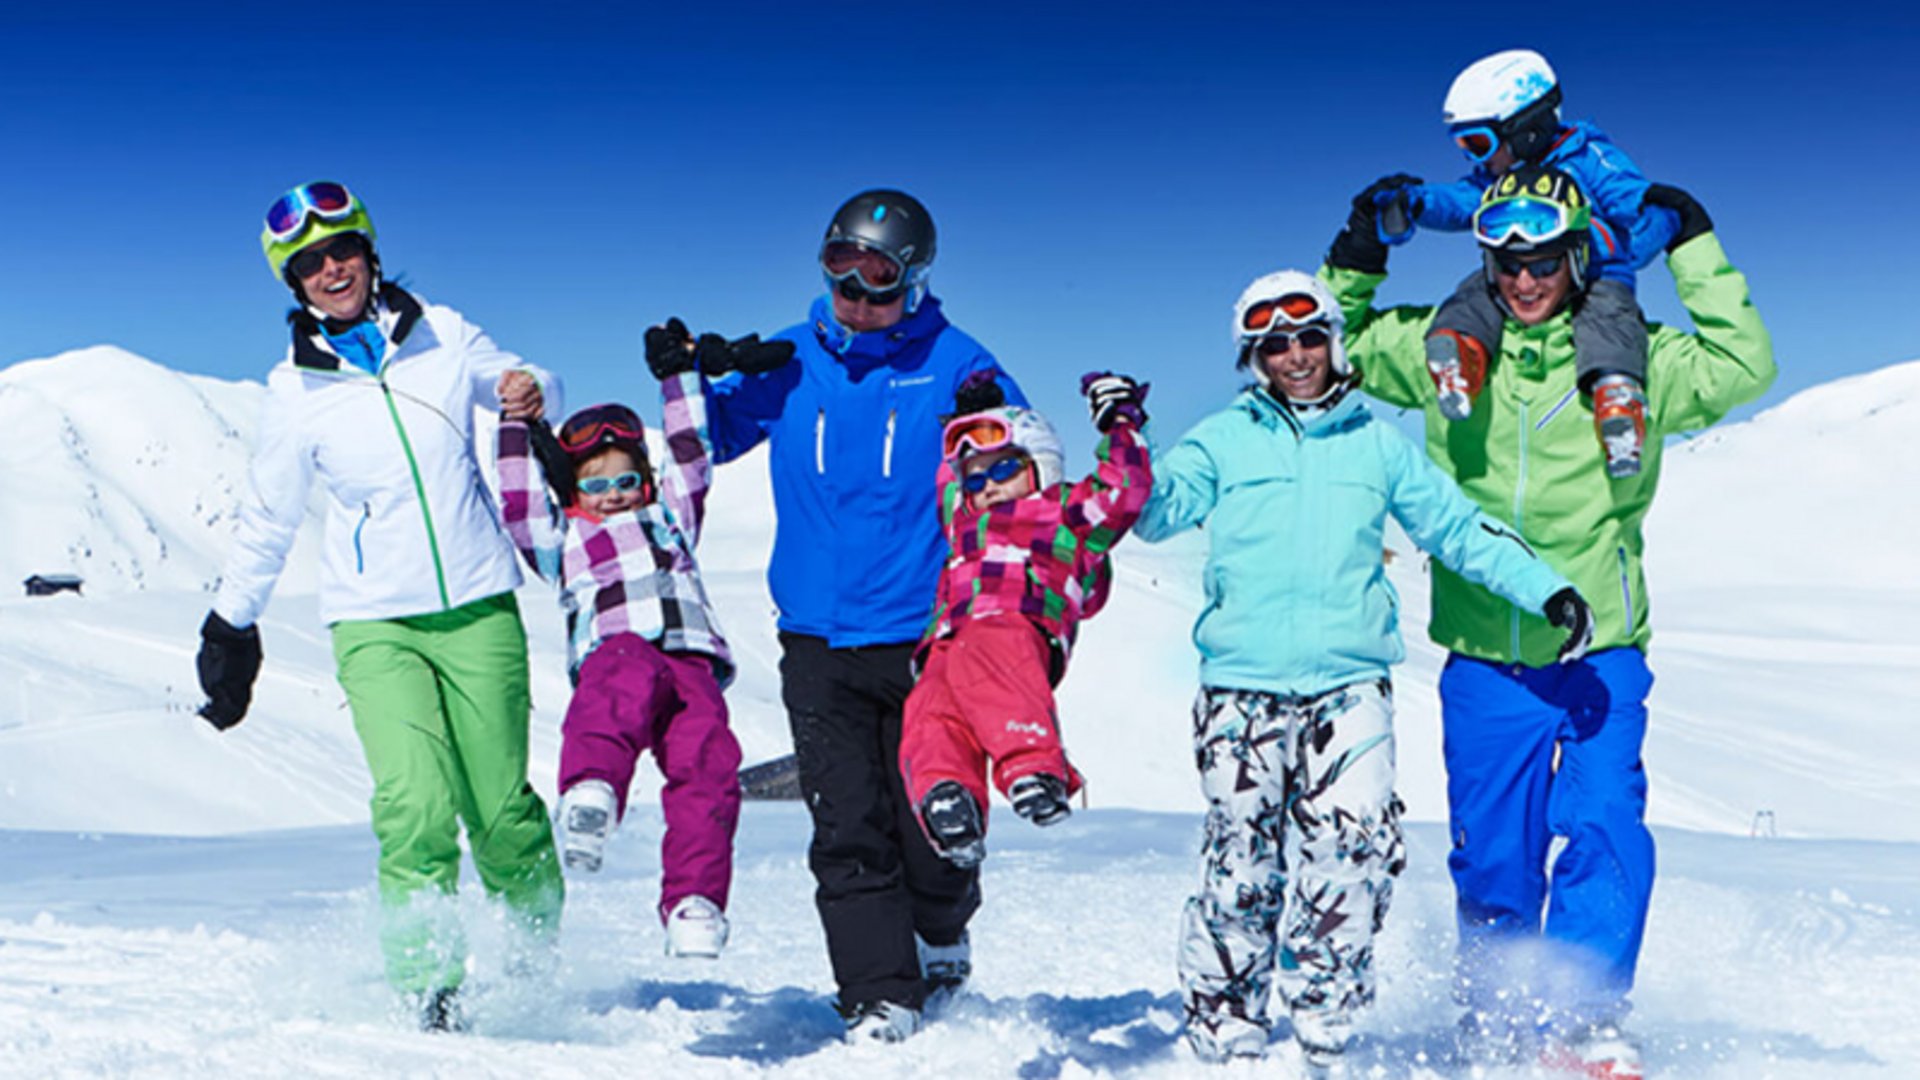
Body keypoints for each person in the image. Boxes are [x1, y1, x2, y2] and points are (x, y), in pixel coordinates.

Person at [1325, 165, 1774, 1078]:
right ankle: (1496, 1015)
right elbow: (1340, 341)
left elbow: (1744, 365)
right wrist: (1359, 248)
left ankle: (1582, 1018)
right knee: (1495, 855)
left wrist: (1694, 245)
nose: (1525, 280)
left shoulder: (1635, 358)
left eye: (1541, 259)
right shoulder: (1444, 355)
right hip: (1488, 654)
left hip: (1601, 645)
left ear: (1575, 257)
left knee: (1606, 824)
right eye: (1506, 261)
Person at [1133, 269, 1590, 1074]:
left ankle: (1326, 1016)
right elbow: (1154, 508)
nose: (1296, 355)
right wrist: (1125, 441)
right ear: (1254, 356)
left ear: (1334, 341)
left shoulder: (1377, 446)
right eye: (1275, 344)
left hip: (1349, 686)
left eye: (1309, 337)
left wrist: (1545, 587)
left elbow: (1458, 529)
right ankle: (1227, 1014)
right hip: (1241, 690)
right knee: (1242, 857)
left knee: (1352, 849)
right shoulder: (1222, 439)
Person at [193, 181, 565, 1031]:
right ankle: (431, 992)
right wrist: (232, 622)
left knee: (502, 813)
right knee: (415, 809)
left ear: (368, 251)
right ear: (293, 281)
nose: (331, 270)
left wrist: (528, 385)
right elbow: (267, 516)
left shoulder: (444, 333)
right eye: (310, 263)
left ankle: (537, 964)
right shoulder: (293, 393)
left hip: (478, 607)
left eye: (342, 251)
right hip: (375, 624)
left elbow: (526, 377)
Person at [694, 188, 1025, 1042]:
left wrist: (995, 419)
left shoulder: (957, 362)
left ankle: (942, 926)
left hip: (923, 636)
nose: (859, 296)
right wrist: (691, 374)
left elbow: (1018, 472)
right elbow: (713, 437)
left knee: (929, 828)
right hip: (815, 637)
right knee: (847, 827)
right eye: (843, 273)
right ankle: (880, 992)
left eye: (879, 279)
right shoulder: (792, 356)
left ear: (914, 281)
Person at [494, 319, 771, 959]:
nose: (614, 495)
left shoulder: (670, 519)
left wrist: (679, 374)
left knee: (710, 770)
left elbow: (691, 451)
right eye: (595, 484)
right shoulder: (561, 539)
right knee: (616, 689)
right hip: (618, 648)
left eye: (626, 481)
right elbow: (518, 501)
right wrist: (514, 426)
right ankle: (591, 789)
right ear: (572, 491)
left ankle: (694, 902)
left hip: (692, 664)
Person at [1369, 48, 1682, 479]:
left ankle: (1617, 397)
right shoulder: (1499, 178)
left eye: (1478, 142)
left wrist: (1648, 224)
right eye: (1463, 146)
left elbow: (1634, 202)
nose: (1475, 159)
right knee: (1477, 292)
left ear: (1526, 131)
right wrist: (1418, 202)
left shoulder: (1590, 160)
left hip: (1595, 275)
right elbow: (1464, 200)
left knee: (1609, 319)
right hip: (1518, 276)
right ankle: (1460, 357)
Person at [899, 372, 1153, 868]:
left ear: (1039, 464)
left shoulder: (1063, 512)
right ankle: (950, 799)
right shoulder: (963, 521)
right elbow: (947, 483)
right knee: (928, 709)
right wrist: (966, 418)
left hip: (1015, 624)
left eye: (1002, 471)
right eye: (976, 478)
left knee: (991, 650)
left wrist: (1120, 420)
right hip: (951, 639)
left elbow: (1126, 488)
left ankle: (1033, 768)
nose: (988, 487)